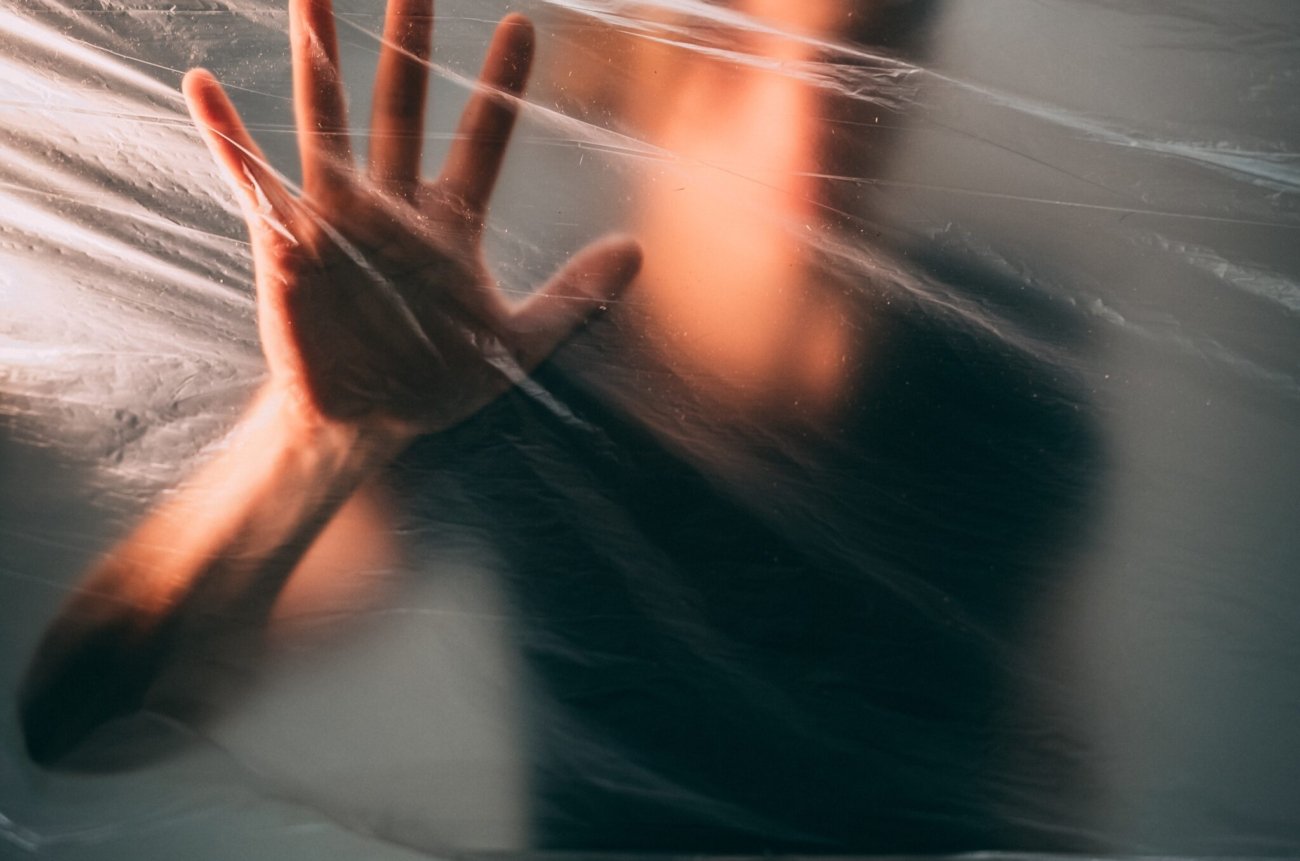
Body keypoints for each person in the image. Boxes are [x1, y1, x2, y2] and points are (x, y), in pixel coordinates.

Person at [21, 0, 1106, 852]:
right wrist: (316, 437)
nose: (809, 120)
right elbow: (84, 721)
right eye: (740, 63)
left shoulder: (998, 367)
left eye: (854, 58)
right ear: (639, 87)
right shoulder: (518, 378)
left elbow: (1032, 737)